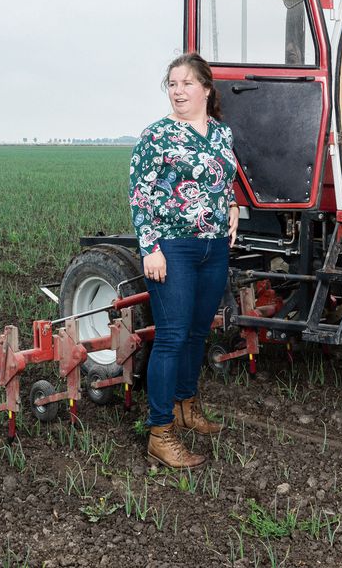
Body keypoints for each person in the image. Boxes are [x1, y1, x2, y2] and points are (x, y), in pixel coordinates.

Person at [128, 52, 240, 469]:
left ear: (206, 89)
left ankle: (184, 406)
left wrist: (230, 207)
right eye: (172, 84)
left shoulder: (221, 134)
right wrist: (150, 247)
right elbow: (140, 194)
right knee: (173, 336)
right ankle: (160, 431)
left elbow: (223, 178)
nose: (178, 91)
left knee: (196, 334)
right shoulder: (156, 135)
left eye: (186, 83)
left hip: (213, 247)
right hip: (173, 247)